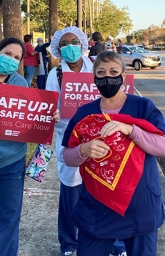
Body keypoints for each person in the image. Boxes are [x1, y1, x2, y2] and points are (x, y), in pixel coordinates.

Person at [62, 51, 165, 256]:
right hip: (97, 207)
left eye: (113, 71)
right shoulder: (85, 113)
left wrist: (131, 130)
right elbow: (67, 156)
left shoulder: (143, 107)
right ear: (94, 78)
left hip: (139, 204)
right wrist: (83, 150)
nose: (107, 77)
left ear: (124, 76)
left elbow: (162, 146)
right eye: (101, 72)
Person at [0, 37, 60, 256]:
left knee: (8, 217)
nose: (11, 60)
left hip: (11, 163)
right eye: (8, 54)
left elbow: (31, 117)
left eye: (17, 57)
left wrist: (48, 117)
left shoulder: (20, 84)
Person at [45, 26, 93, 256]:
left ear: (82, 44)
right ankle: (69, 243)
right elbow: (50, 108)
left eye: (74, 41)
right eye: (64, 44)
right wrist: (52, 115)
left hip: (100, 138)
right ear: (58, 49)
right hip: (69, 137)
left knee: (102, 192)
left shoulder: (98, 69)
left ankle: (110, 241)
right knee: (71, 193)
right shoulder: (56, 75)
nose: (70, 47)